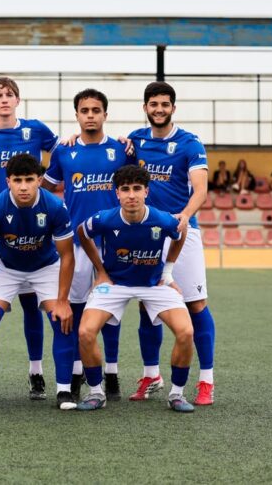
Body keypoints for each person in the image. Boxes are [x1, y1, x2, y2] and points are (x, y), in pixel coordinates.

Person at [0, 76, 60, 400]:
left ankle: (36, 373)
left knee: (33, 309)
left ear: (18, 100)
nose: (4, 100)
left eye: (9, 95)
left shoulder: (35, 130)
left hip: (32, 224)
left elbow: (64, 153)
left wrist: (41, 192)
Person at [76, 165, 195, 412]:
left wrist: (168, 272)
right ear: (116, 193)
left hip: (154, 285)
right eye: (126, 189)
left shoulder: (161, 219)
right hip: (115, 284)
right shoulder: (105, 218)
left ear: (146, 192)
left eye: (137, 189)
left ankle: (177, 394)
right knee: (86, 333)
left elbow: (180, 232)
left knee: (185, 332)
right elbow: (82, 233)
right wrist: (101, 271)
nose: (132, 195)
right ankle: (96, 393)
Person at [126, 81, 216, 406]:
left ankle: (206, 380)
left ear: (173, 108)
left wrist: (183, 216)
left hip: (183, 233)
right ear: (145, 107)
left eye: (165, 104)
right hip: (148, 236)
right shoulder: (135, 140)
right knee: (146, 305)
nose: (159, 109)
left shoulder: (189, 143)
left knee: (196, 305)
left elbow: (201, 190)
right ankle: (152, 375)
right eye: (154, 104)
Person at [41, 88, 129, 401]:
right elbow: (46, 189)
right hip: (77, 243)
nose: (90, 116)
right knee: (75, 310)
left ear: (106, 114)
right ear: (76, 115)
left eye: (95, 110)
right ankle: (78, 371)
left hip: (113, 244)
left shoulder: (120, 151)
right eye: (84, 110)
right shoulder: (64, 151)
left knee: (111, 311)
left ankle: (113, 373)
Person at [0, 153, 75, 410]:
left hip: (44, 266)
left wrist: (63, 301)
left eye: (29, 180)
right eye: (17, 180)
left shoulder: (54, 207)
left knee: (61, 318)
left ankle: (63, 391)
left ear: (39, 180)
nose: (23, 186)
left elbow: (67, 255)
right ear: (8, 181)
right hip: (6, 266)